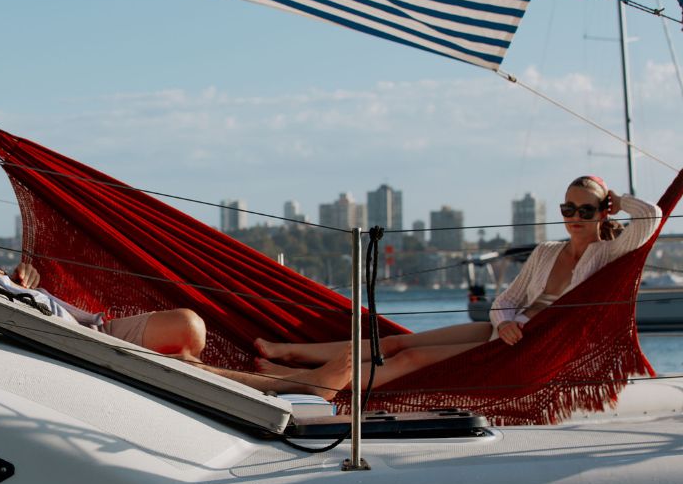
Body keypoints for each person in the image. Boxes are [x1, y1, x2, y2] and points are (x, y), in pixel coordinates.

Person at [0, 170, 352, 398]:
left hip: (82, 330)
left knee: (189, 329)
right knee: (184, 352)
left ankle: (251, 377)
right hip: (65, 345)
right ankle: (300, 384)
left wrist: (22, 283)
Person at [254, 175, 661, 388]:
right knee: (396, 341)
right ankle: (289, 353)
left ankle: (315, 383)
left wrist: (618, 200)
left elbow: (653, 218)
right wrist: (503, 322)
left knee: (408, 360)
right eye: (567, 208)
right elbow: (506, 299)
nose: (574, 217)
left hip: (536, 350)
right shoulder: (547, 252)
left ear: (603, 213)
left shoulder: (609, 253)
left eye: (586, 210)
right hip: (505, 333)